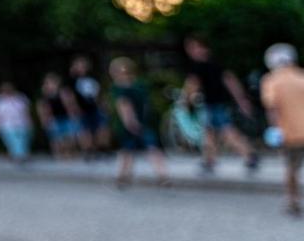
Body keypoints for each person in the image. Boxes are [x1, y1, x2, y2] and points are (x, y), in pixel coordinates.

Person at [184, 36, 257, 172]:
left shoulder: (198, 66)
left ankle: (248, 155)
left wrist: (186, 100)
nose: (191, 51)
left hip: (211, 104)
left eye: (193, 48)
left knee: (225, 131)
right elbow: (231, 81)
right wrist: (241, 100)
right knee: (211, 132)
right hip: (219, 103)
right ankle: (210, 160)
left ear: (202, 47)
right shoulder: (216, 62)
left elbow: (192, 85)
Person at [110, 57, 170, 188]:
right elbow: (132, 105)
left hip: (134, 123)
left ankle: (123, 177)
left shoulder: (121, 87)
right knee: (140, 149)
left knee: (129, 150)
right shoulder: (138, 85)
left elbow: (124, 105)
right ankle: (161, 176)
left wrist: (130, 122)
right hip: (139, 123)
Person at [259, 43, 304, 216]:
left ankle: (292, 200)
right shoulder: (301, 77)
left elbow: (272, 107)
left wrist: (275, 129)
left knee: (290, 167)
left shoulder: (271, 80)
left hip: (288, 132)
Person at [67, 56, 109, 157]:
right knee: (84, 130)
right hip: (81, 109)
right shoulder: (71, 80)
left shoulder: (93, 78)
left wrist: (103, 104)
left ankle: (102, 149)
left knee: (101, 128)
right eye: (79, 65)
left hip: (95, 107)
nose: (82, 67)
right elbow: (69, 95)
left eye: (84, 65)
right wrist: (73, 108)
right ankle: (88, 151)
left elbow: (99, 93)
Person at [0, 83, 33, 162]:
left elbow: (27, 111)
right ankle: (19, 156)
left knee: (23, 140)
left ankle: (18, 155)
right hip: (5, 125)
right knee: (12, 141)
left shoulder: (21, 98)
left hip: (22, 123)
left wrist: (30, 121)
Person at [37, 72, 77, 158]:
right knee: (56, 138)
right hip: (53, 118)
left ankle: (68, 152)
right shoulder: (44, 95)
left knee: (69, 137)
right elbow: (41, 108)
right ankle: (58, 154)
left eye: (52, 82)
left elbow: (71, 104)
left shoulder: (64, 92)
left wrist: (73, 115)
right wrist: (43, 119)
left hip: (65, 117)